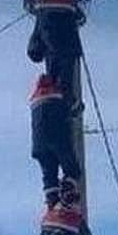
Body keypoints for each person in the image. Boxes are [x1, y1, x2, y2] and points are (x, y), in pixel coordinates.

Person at [26, 0, 82, 110]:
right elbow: (79, 17)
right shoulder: (69, 4)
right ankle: (70, 105)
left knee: (56, 84)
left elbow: (35, 47)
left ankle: (66, 106)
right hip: (70, 48)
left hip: (53, 52)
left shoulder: (43, 7)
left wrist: (35, 52)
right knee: (66, 82)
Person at [29, 73, 81, 207]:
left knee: (49, 172)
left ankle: (52, 199)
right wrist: (77, 108)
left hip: (39, 146)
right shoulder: (58, 94)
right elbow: (72, 106)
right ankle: (68, 191)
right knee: (71, 168)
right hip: (57, 138)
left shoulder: (35, 100)